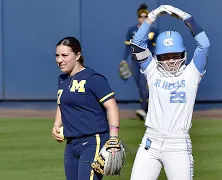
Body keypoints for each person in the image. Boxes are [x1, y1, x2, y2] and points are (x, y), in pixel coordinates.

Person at [129, 5, 210, 180]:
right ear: (157, 56)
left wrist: (187, 18)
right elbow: (137, 45)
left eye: (175, 55)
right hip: (150, 141)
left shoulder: (192, 73)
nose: (171, 60)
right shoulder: (152, 70)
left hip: (178, 145)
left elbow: (204, 45)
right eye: (165, 56)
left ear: (183, 53)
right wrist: (153, 16)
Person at [52, 36, 121, 180]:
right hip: (71, 145)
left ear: (78, 55)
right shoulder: (63, 79)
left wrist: (113, 138)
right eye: (57, 55)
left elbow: (112, 106)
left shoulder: (93, 78)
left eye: (65, 55)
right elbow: (62, 102)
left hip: (93, 142)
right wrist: (57, 125)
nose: (59, 60)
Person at [120, 3, 159, 121]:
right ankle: (146, 111)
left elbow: (156, 48)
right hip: (134, 62)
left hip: (147, 62)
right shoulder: (132, 30)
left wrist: (157, 61)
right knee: (140, 87)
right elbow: (128, 47)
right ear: (138, 17)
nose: (143, 18)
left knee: (143, 86)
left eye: (145, 16)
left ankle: (144, 110)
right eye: (141, 16)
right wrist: (123, 59)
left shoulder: (153, 31)